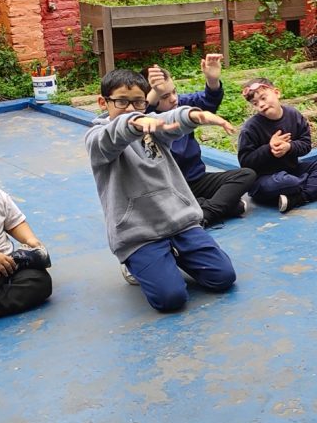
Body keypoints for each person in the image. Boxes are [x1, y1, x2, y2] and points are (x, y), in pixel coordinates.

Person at [85, 69, 238, 312]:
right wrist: (134, 121)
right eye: (122, 101)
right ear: (104, 102)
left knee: (223, 277)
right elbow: (113, 136)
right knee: (171, 299)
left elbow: (171, 120)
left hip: (179, 222)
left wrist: (195, 115)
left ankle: (172, 255)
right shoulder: (96, 138)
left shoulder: (153, 128)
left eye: (138, 102)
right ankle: (135, 262)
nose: (131, 108)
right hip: (138, 234)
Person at [143, 54, 256, 228]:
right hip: (169, 189)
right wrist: (152, 94)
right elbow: (139, 113)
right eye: (164, 96)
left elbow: (207, 101)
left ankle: (205, 213)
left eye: (174, 91)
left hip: (196, 180)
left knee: (246, 175)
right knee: (155, 210)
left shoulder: (180, 105)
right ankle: (220, 207)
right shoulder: (143, 121)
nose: (173, 98)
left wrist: (212, 81)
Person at [237, 77, 317, 212]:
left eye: (263, 98)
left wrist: (289, 147)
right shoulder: (250, 127)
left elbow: (306, 144)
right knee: (289, 182)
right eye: (255, 103)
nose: (261, 105)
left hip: (292, 170)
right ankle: (315, 186)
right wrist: (269, 149)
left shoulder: (293, 115)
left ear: (276, 93)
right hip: (264, 180)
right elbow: (245, 163)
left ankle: (299, 197)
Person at [0, 183, 52, 323]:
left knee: (40, 281)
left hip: (6, 266)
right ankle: (19, 261)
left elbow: (15, 223)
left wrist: (30, 239)